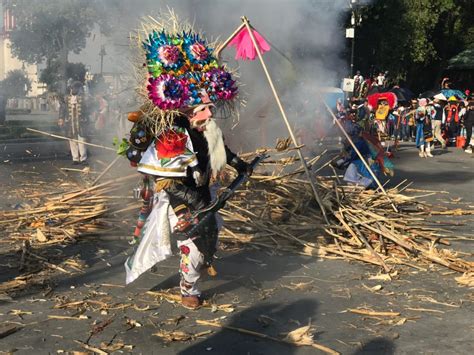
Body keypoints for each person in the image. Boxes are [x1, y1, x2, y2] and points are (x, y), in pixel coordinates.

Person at [123, 14, 250, 310]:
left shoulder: (208, 129)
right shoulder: (173, 135)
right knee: (191, 242)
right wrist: (186, 206)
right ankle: (187, 287)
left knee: (210, 239)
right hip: (177, 197)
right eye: (201, 108)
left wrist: (240, 165)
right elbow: (167, 182)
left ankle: (200, 264)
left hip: (205, 192)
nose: (207, 113)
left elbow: (221, 150)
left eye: (208, 106)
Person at [58, 81, 89, 165]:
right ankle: (75, 158)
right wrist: (61, 118)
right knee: (72, 140)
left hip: (81, 122)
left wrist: (87, 118)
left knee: (82, 140)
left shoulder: (84, 98)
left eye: (76, 88)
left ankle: (83, 158)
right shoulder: (66, 98)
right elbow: (62, 109)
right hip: (70, 122)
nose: (73, 90)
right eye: (72, 88)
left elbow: (88, 109)